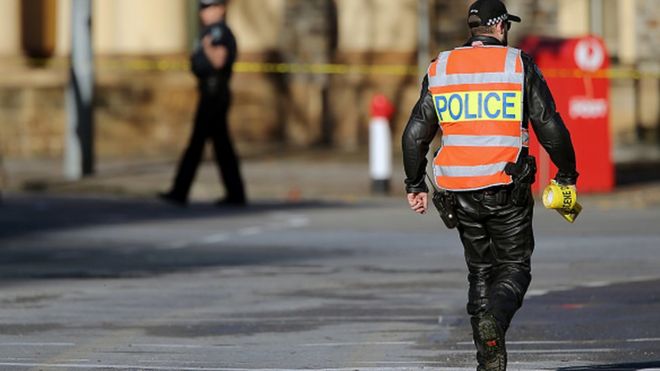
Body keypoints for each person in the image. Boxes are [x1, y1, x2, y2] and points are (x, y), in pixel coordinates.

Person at [402, 0, 579, 369]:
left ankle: (488, 359)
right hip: (505, 188)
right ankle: (494, 324)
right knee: (514, 267)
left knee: (480, 270)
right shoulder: (517, 64)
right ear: (500, 27)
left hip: (456, 193)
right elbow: (549, 126)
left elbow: (415, 133)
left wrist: (415, 183)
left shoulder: (442, 67)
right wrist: (566, 175)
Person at [160, 0, 246, 207]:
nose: (204, 12)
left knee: (198, 145)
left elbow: (219, 61)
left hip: (214, 95)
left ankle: (180, 191)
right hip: (210, 93)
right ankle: (235, 193)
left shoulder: (219, 33)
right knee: (220, 146)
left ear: (221, 9)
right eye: (203, 8)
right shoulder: (208, 30)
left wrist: (206, 48)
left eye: (209, 7)